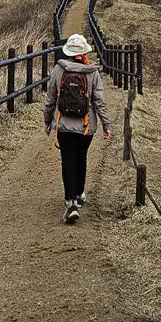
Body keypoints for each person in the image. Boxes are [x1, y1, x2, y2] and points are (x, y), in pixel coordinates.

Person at [44, 33, 111, 224]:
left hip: (64, 126)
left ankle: (70, 202)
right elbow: (99, 102)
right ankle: (80, 194)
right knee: (81, 157)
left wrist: (47, 122)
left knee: (68, 161)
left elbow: (50, 99)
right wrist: (106, 125)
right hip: (85, 127)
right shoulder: (92, 72)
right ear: (83, 52)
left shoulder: (59, 70)